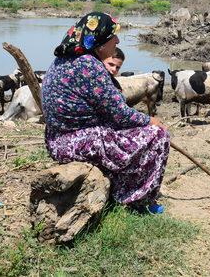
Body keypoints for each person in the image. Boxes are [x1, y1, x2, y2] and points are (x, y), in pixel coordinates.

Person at [41, 12, 169, 213]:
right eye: (113, 37)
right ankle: (135, 200)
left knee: (129, 133)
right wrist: (150, 120)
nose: (117, 41)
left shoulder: (63, 58)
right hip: (77, 141)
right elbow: (120, 115)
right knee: (159, 135)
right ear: (100, 42)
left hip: (58, 138)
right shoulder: (88, 65)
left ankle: (121, 188)